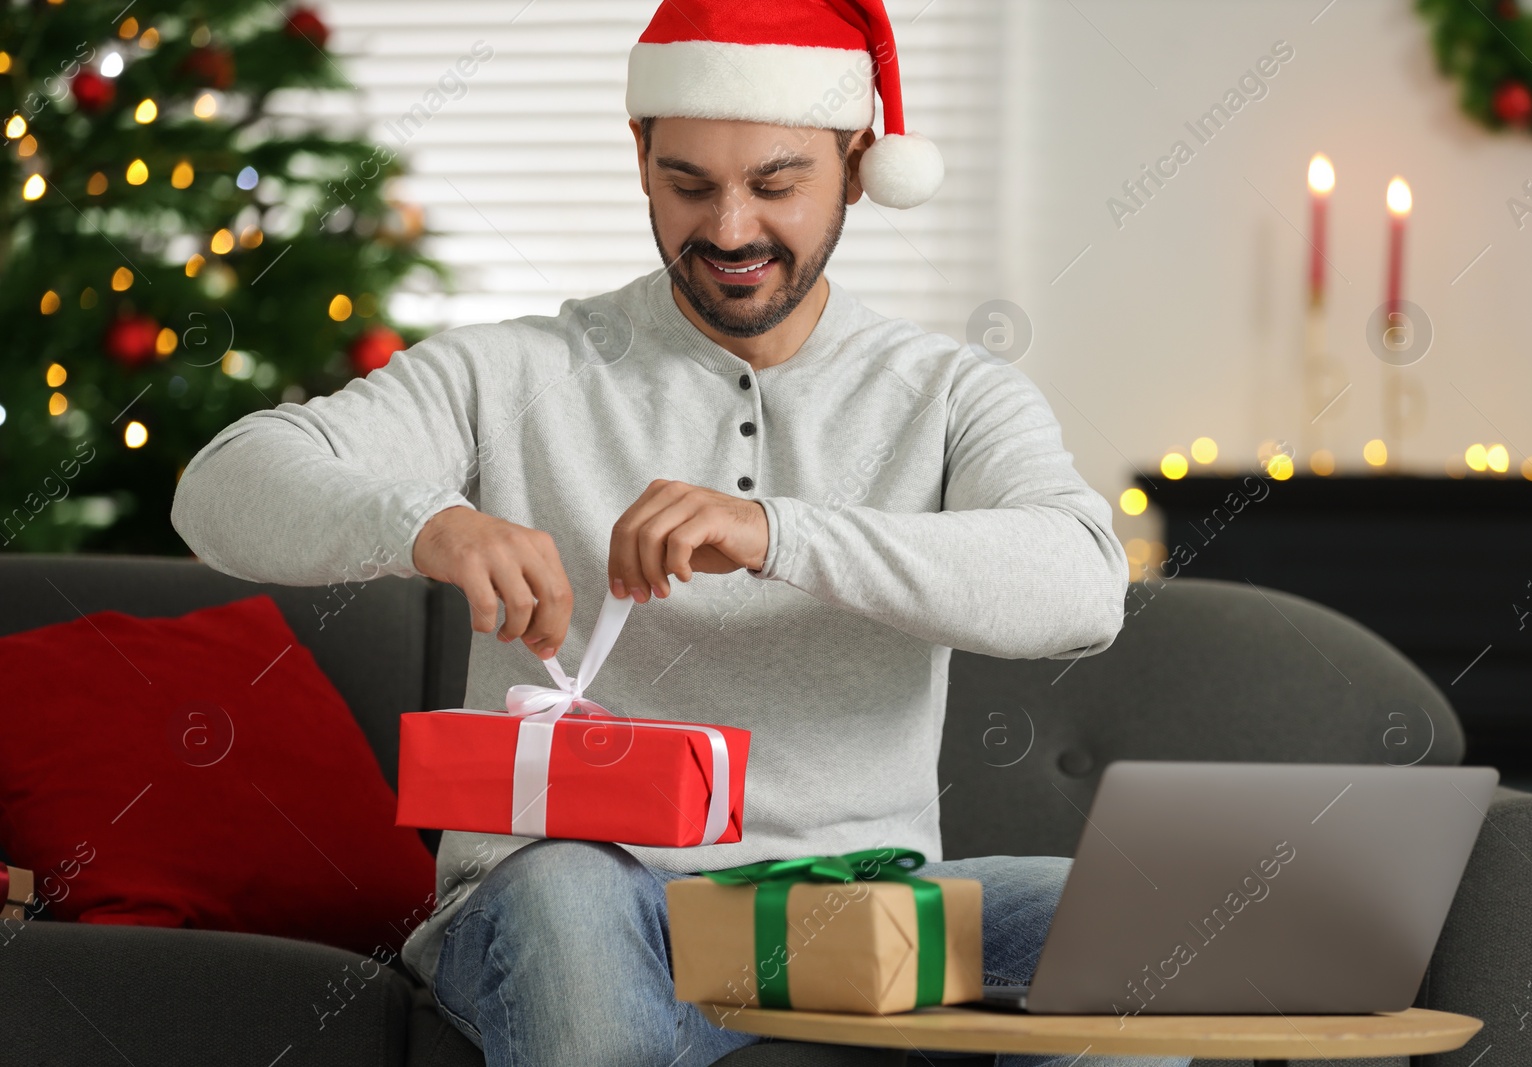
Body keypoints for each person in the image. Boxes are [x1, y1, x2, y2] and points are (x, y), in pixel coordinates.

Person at [172, 2, 1185, 1066]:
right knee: (568, 895)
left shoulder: (946, 393)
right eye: (689, 184)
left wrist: (778, 531)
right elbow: (221, 485)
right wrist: (427, 522)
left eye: (777, 184)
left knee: (1138, 925)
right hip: (571, 887)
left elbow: (1079, 585)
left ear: (855, 160)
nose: (732, 230)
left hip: (846, 902)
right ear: (641, 157)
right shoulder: (513, 369)